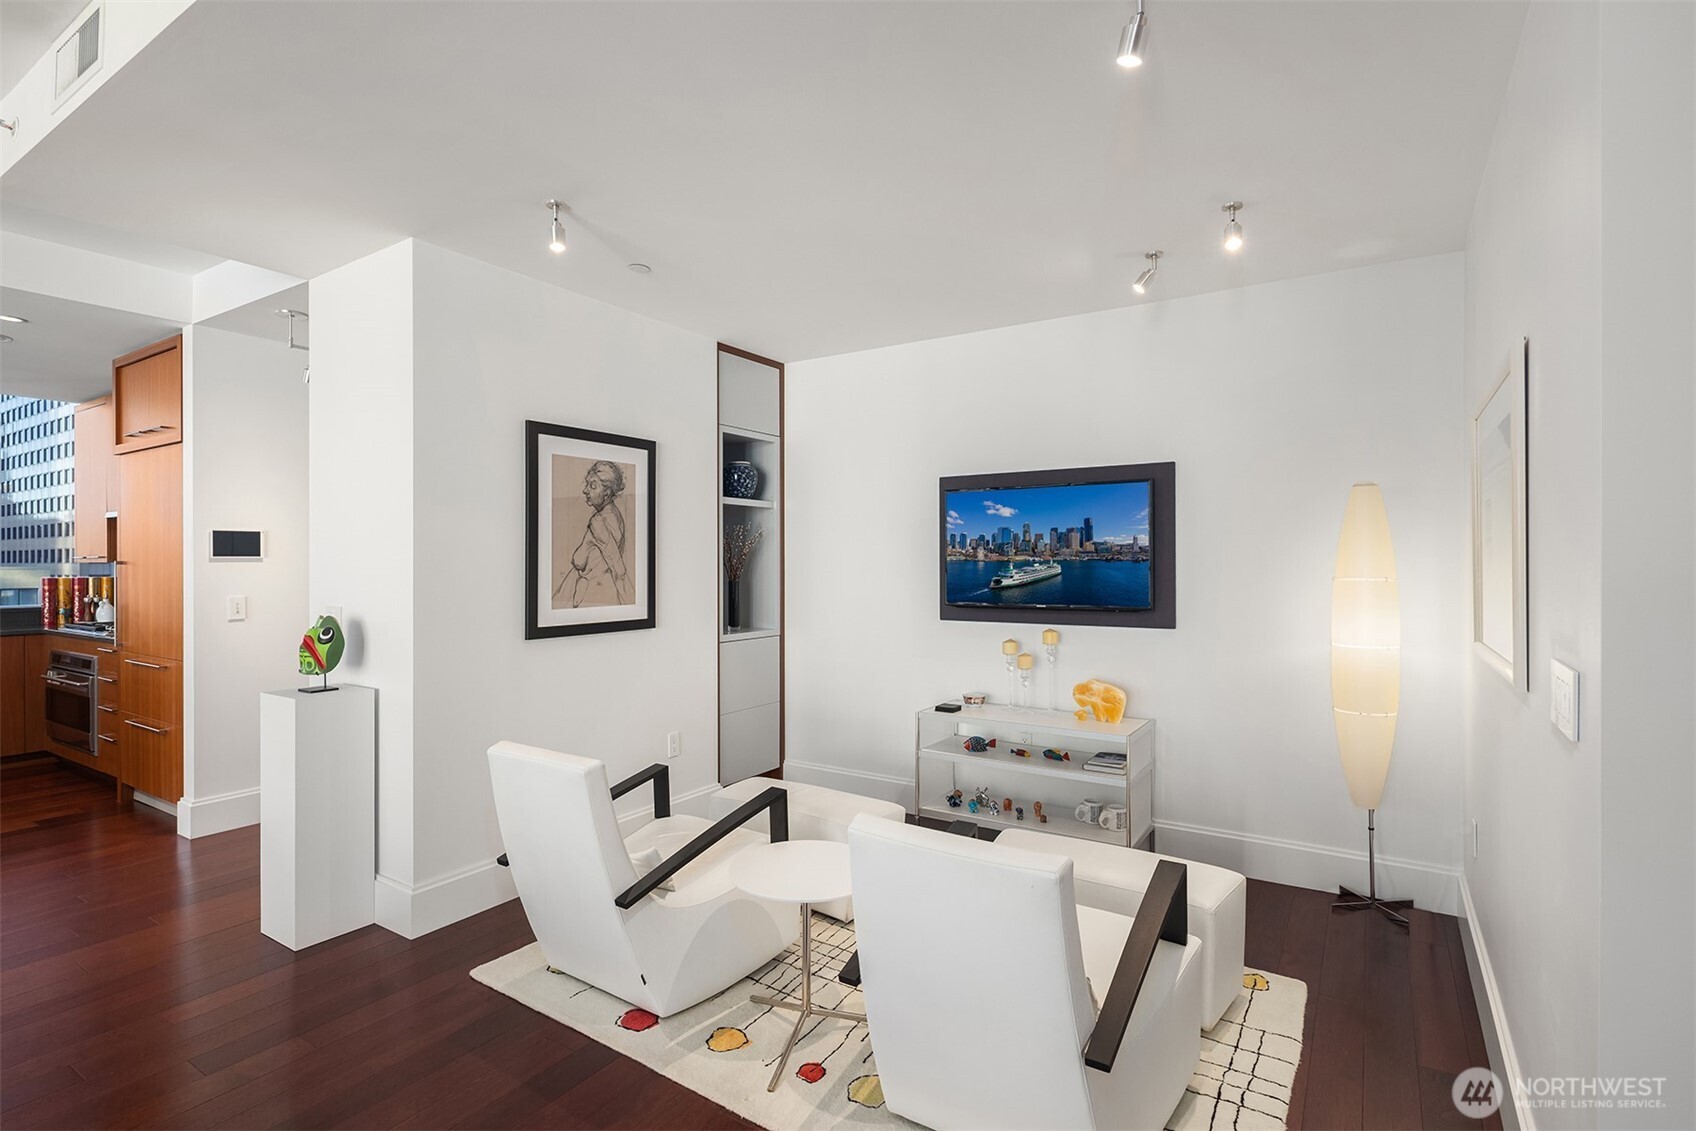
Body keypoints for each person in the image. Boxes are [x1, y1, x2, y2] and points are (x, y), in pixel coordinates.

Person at [555, 459, 632, 607]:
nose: (585, 490)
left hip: (594, 593)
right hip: (600, 591)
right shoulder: (616, 515)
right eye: (587, 484)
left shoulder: (598, 521)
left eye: (593, 486)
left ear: (606, 493)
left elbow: (618, 567)